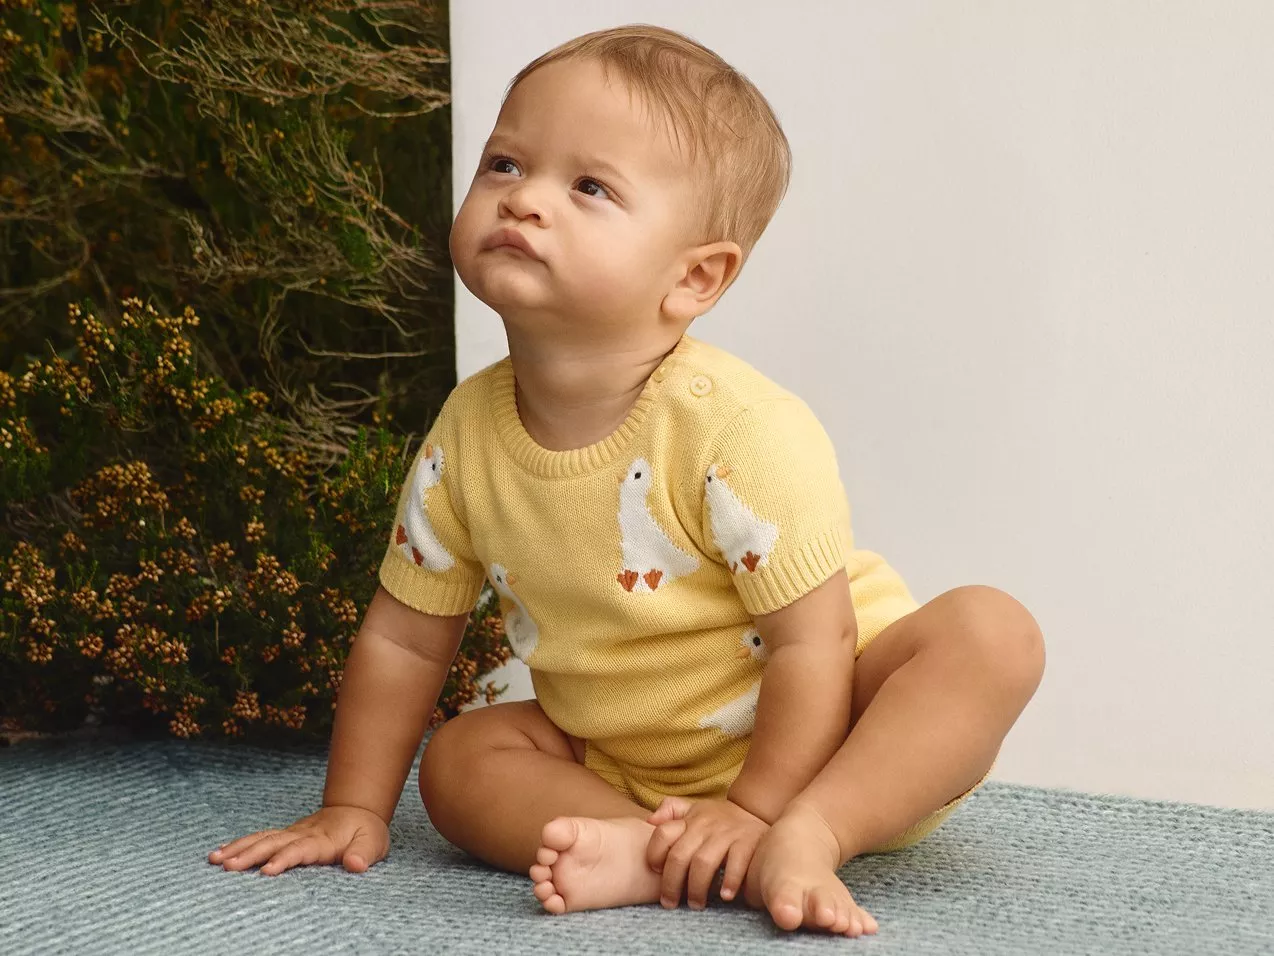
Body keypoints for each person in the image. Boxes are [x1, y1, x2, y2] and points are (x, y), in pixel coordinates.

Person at [208, 24, 1045, 938]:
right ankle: (651, 852)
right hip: (626, 761)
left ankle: (809, 837)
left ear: (693, 278)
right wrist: (355, 806)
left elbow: (815, 644)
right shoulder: (466, 435)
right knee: (460, 761)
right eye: (504, 164)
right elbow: (407, 642)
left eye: (589, 187)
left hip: (841, 737)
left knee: (991, 633)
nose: (525, 200)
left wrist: (767, 807)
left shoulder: (736, 429)